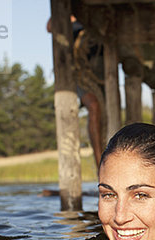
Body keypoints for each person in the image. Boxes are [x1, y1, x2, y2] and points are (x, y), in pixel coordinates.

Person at [47, 16, 105, 168]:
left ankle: (108, 164)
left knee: (105, 117)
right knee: (93, 106)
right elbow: (50, 26)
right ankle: (101, 165)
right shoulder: (69, 14)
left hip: (101, 71)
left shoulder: (96, 14)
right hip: (80, 73)